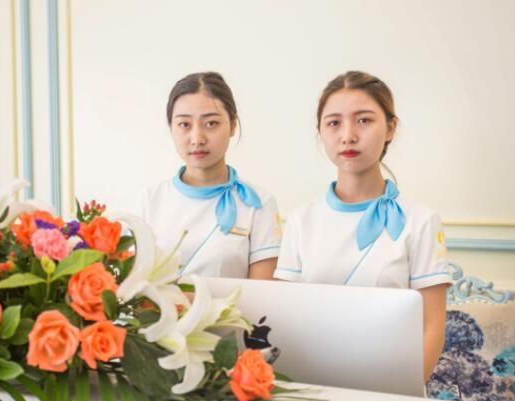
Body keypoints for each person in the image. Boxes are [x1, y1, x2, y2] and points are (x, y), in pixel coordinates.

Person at [274, 71, 450, 381]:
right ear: (320, 132)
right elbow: (285, 319)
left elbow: (431, 327)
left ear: (391, 128)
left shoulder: (421, 220)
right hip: (311, 385)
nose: (348, 136)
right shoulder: (300, 221)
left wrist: (401, 393)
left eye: (364, 120)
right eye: (334, 123)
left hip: (392, 386)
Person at [138, 72, 281, 279]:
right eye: (184, 125)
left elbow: (264, 292)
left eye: (211, 123)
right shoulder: (150, 200)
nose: (197, 138)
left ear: (232, 125)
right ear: (171, 128)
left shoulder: (259, 204)